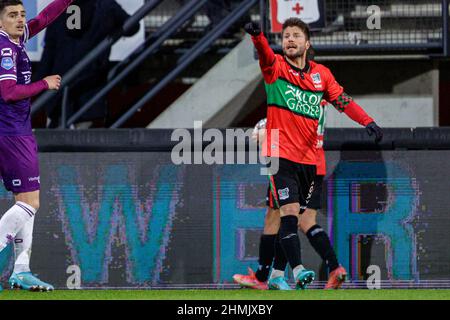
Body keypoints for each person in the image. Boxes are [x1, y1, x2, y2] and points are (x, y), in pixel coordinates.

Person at [236, 18, 383, 290]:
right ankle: (298, 270)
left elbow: (344, 102)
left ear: (307, 43)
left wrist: (367, 121)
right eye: (286, 36)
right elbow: (266, 55)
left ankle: (273, 276)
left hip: (309, 162)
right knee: (288, 213)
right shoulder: (275, 68)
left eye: (295, 35)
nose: (289, 39)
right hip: (280, 155)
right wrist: (257, 36)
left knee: (285, 217)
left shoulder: (322, 76)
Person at [0, 0, 73, 292]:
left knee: (23, 202)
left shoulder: (15, 39)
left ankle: (21, 270)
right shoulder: (5, 49)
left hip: (12, 131)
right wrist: (44, 83)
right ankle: (20, 269)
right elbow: (8, 92)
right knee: (31, 203)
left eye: (21, 14)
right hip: (12, 133)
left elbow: (44, 18)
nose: (20, 20)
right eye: (12, 16)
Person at [37, 0, 140, 128]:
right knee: (85, 143)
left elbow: (48, 57)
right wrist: (114, 29)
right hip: (90, 95)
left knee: (54, 143)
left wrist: (37, 91)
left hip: (57, 96)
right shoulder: (106, 6)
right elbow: (133, 27)